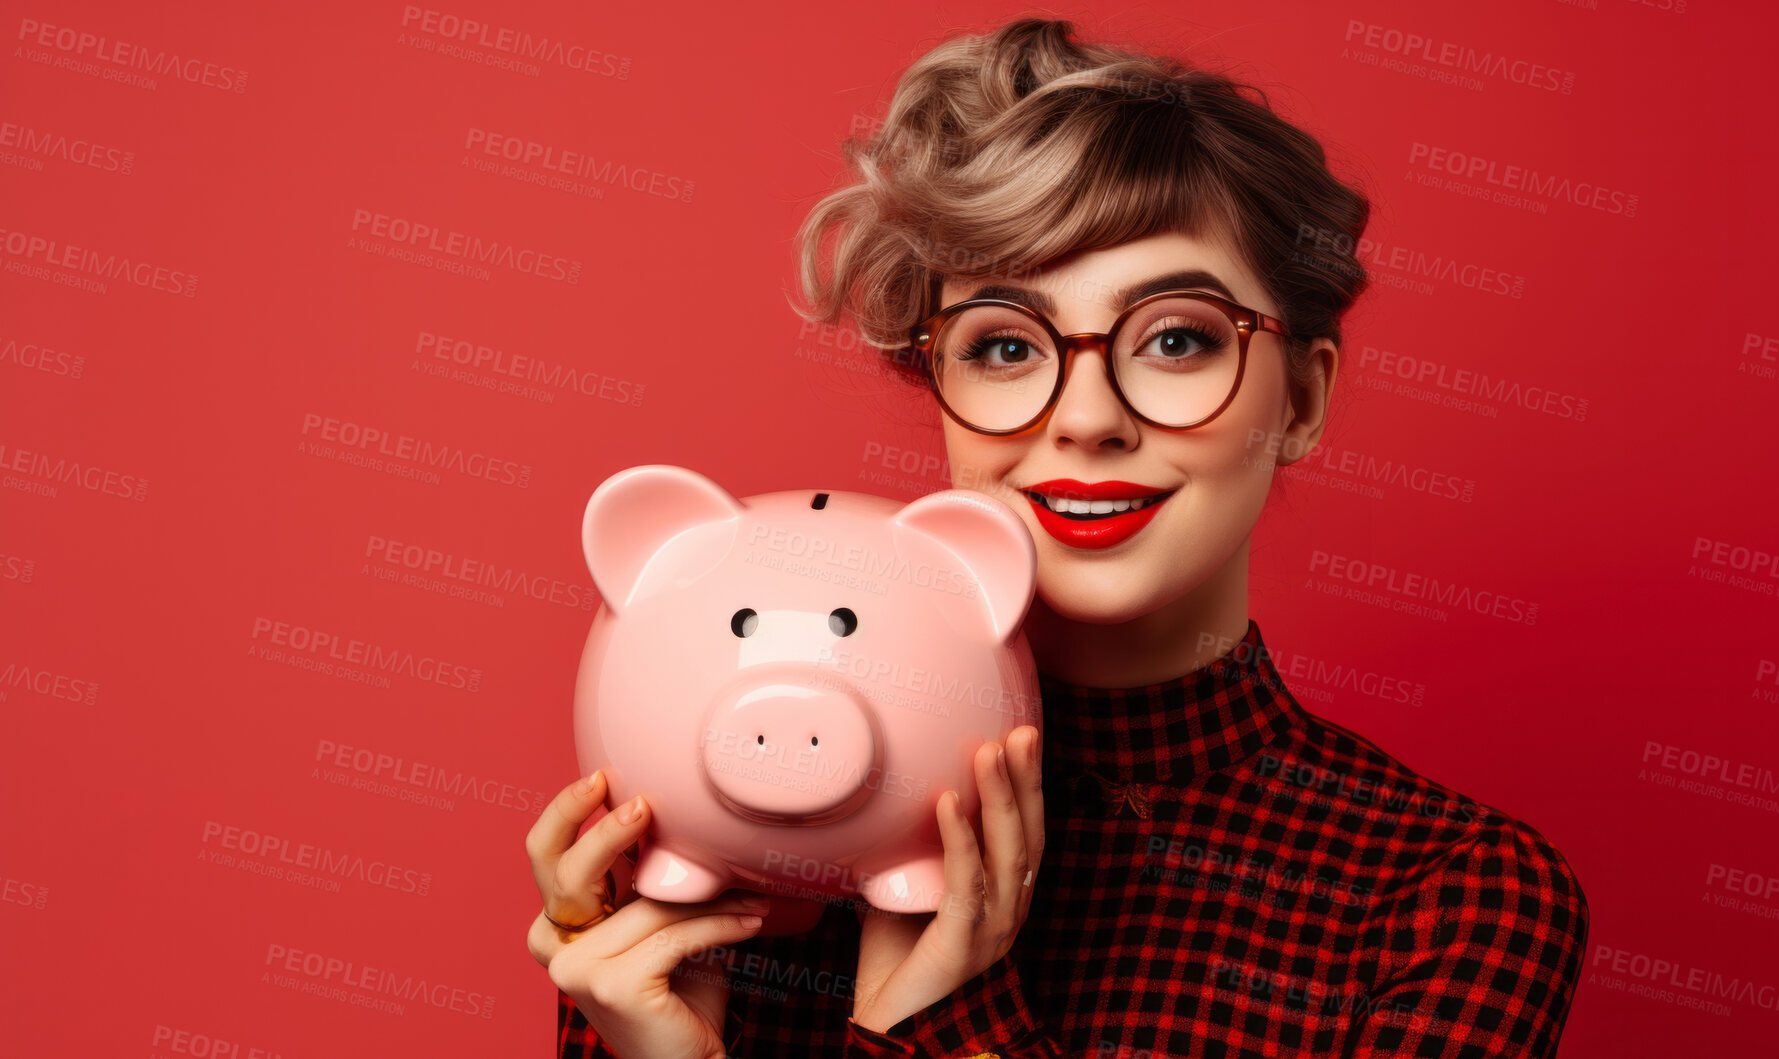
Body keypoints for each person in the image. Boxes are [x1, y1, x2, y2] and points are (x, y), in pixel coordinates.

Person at [527, 17, 1590, 1058]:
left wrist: (943, 1030)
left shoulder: (1447, 898)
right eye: (1002, 346)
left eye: (1175, 338)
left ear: (1302, 400)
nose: (1084, 416)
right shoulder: (720, 814)